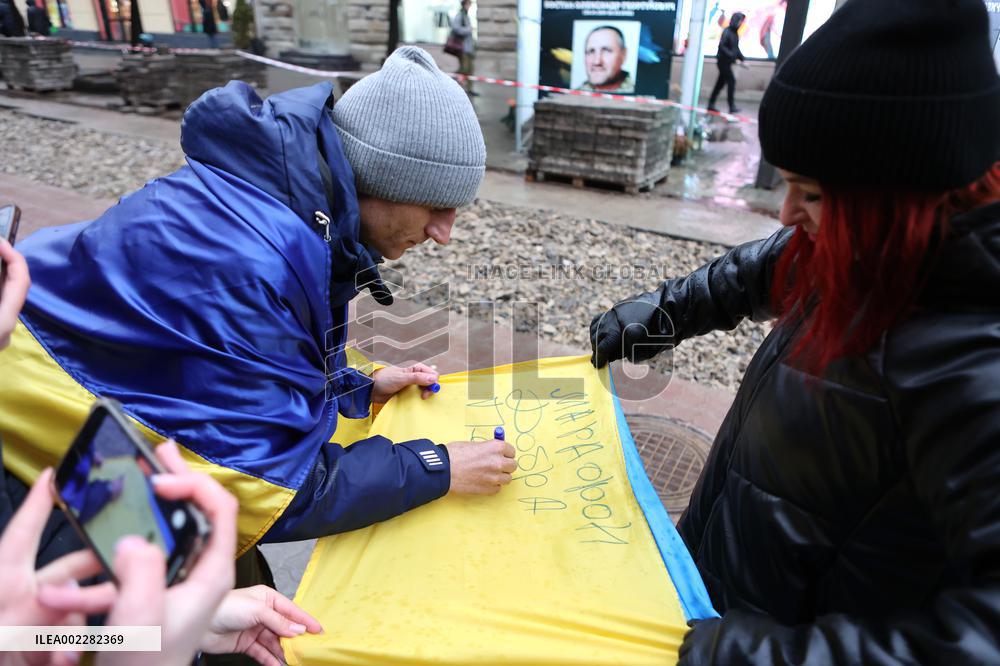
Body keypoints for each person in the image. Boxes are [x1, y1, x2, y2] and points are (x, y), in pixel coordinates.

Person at [0, 46, 511, 578]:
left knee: (229, 604)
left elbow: (217, 374)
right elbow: (264, 484)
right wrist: (437, 467)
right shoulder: (248, 262)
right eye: (436, 207)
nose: (444, 234)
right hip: (37, 464)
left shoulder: (287, 211)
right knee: (138, 637)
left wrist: (352, 388)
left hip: (86, 446)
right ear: (381, 179)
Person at [590, 0, 1000, 662]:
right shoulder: (870, 248)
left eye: (809, 194)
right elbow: (761, 268)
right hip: (720, 582)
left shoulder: (973, 358)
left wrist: (765, 656)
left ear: (897, 202)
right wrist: (663, 314)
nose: (785, 213)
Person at [706, 11, 745, 114]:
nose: (741, 23)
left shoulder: (735, 33)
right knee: (731, 81)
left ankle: (711, 104)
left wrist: (742, 58)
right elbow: (722, 46)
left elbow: (736, 48)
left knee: (720, 84)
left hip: (727, 62)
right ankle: (731, 106)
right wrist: (732, 55)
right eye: (740, 21)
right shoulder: (727, 32)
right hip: (723, 62)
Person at [578, 25, 634, 94]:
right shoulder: (572, 94)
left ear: (623, 55)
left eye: (606, 50)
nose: (597, 62)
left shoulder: (642, 95)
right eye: (591, 51)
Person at [450, 0, 476, 95]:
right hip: (463, 48)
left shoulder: (466, 15)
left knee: (470, 69)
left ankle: (469, 89)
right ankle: (450, 80)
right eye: (469, 4)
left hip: (468, 48)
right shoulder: (460, 15)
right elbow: (456, 28)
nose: (470, 6)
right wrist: (468, 29)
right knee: (464, 69)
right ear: (465, 4)